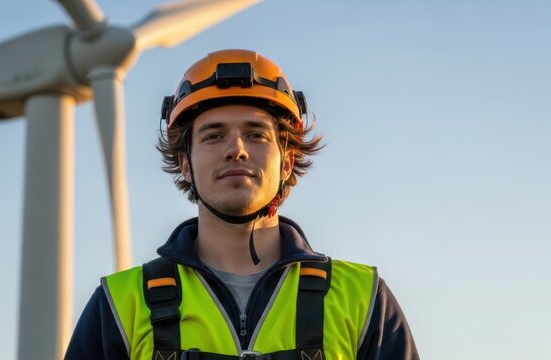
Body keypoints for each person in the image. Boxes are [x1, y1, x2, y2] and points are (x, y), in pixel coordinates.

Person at [65, 49, 419, 359]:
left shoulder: (364, 300)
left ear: (287, 161)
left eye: (256, 134)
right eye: (214, 135)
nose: (237, 149)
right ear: (186, 163)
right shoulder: (118, 306)